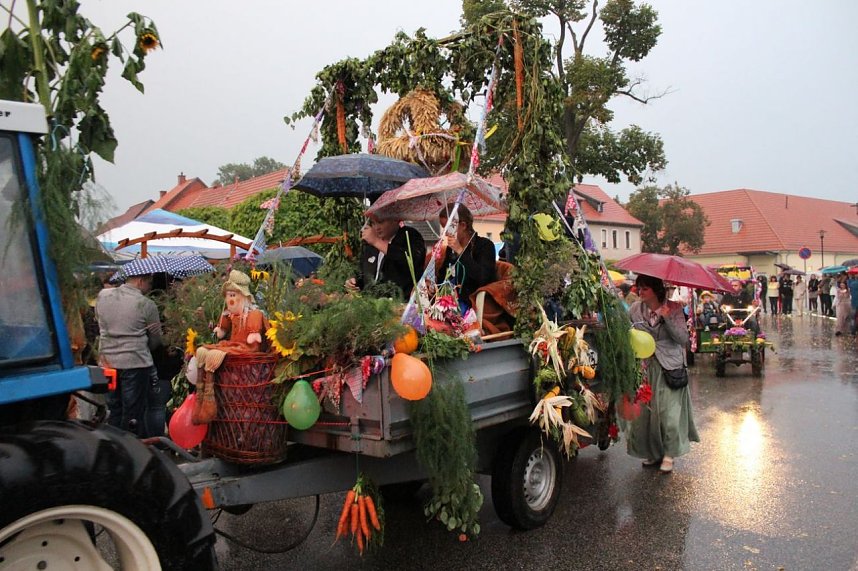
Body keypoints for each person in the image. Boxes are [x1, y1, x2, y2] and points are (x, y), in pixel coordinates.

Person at [627, 274, 699, 474]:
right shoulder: (635, 310)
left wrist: (667, 318)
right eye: (638, 288)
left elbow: (682, 338)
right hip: (645, 365)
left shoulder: (674, 308)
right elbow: (628, 332)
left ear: (655, 289)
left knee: (669, 413)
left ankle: (669, 453)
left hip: (669, 366)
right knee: (648, 415)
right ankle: (653, 452)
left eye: (644, 288)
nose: (640, 292)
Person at [96, 272, 163, 437]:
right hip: (135, 362)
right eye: (149, 283)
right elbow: (156, 339)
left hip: (107, 362)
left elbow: (99, 321)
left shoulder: (103, 296)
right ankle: (131, 448)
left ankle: (113, 444)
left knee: (113, 408)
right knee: (133, 412)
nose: (150, 288)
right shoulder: (146, 304)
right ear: (141, 281)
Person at [346, 212, 426, 300]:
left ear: (395, 220)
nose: (377, 227)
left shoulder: (410, 235)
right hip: (371, 305)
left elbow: (412, 259)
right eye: (373, 223)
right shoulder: (370, 246)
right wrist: (353, 281)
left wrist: (377, 242)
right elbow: (362, 271)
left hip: (401, 303)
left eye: (380, 222)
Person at [436, 204, 496, 308]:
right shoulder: (451, 248)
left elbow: (483, 277)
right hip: (450, 303)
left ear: (463, 225)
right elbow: (444, 275)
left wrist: (461, 251)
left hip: (473, 303)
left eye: (448, 228)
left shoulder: (485, 245)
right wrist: (434, 286)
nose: (445, 234)